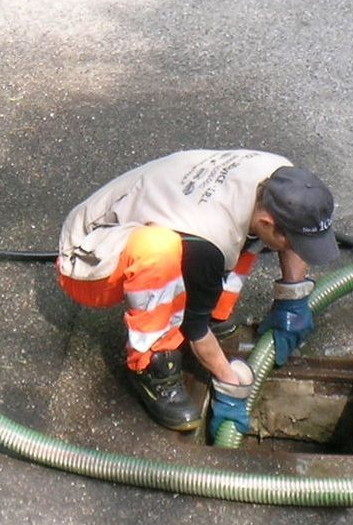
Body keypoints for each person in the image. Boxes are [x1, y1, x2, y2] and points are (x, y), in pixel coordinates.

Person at [56, 149, 337, 437]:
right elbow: (194, 327)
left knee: (227, 245)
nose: (298, 248)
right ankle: (151, 362)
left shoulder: (280, 176)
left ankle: (212, 307)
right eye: (293, 240)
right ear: (268, 223)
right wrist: (231, 382)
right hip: (88, 253)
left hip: (176, 212)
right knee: (160, 252)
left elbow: (293, 232)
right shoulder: (209, 238)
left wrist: (293, 297)